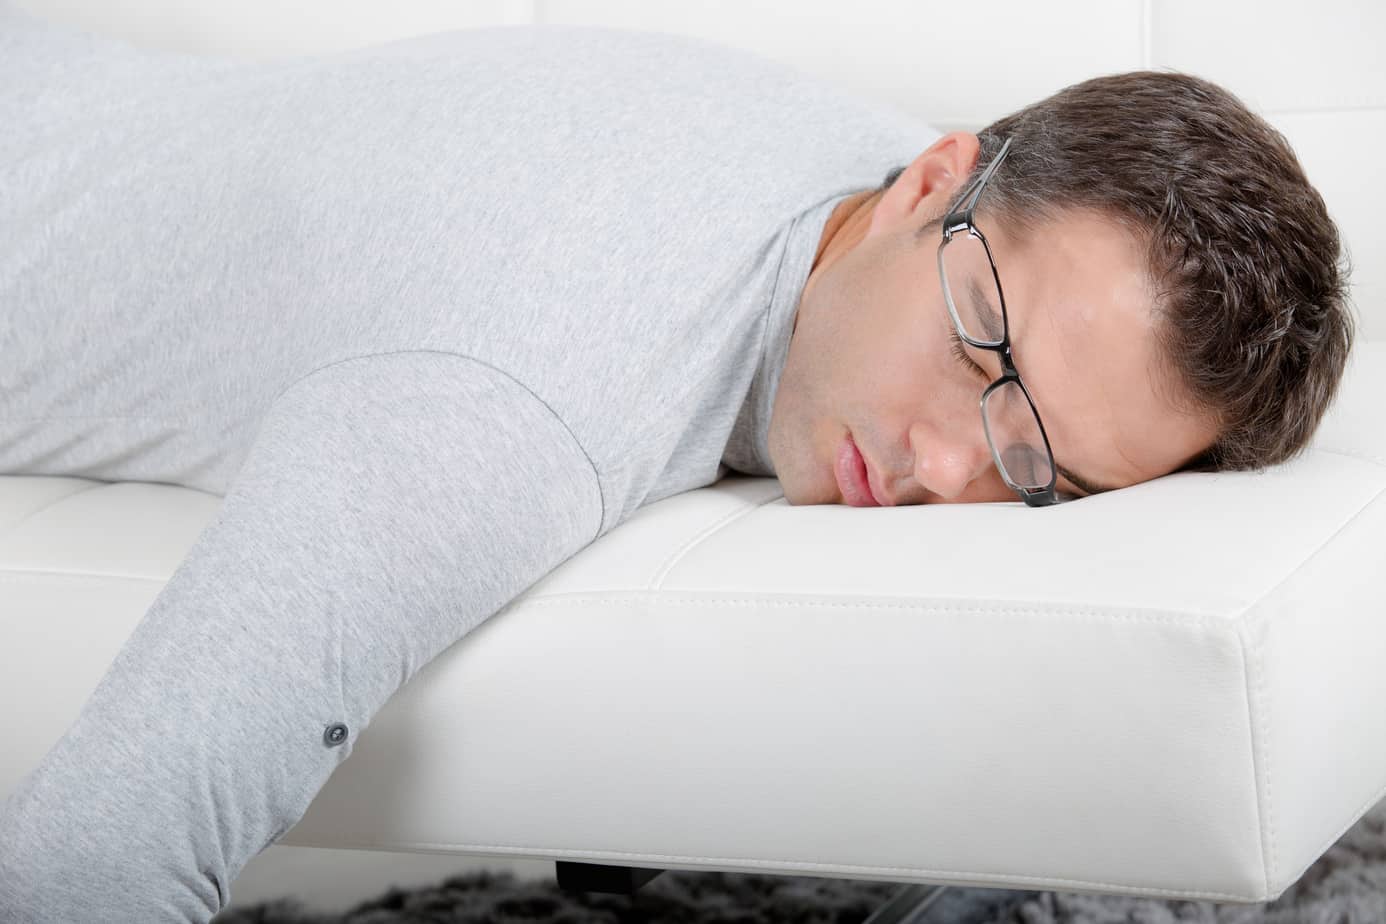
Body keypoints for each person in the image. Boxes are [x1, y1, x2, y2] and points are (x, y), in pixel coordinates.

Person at [0, 4, 1353, 921]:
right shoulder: (503, 409)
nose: (949, 463)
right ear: (932, 176)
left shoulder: (892, 186)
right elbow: (93, 861)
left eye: (1038, 460)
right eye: (977, 343)